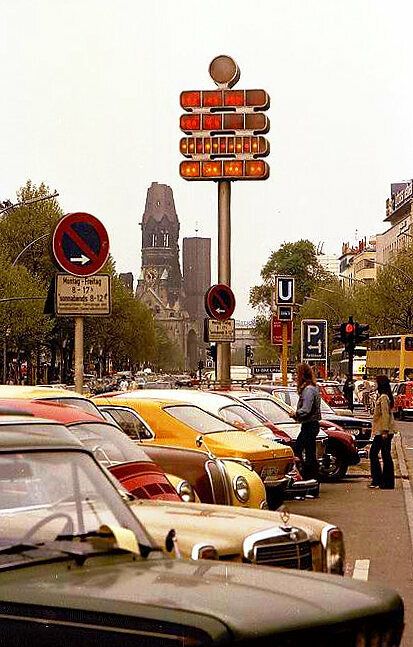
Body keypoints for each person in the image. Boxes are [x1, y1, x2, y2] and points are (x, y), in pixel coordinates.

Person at [290, 363, 321, 480]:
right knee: (309, 453)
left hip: (309, 424)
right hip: (310, 424)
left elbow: (306, 409)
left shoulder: (308, 390)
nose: (296, 376)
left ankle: (307, 478)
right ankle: (311, 480)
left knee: (301, 451)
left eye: (297, 374)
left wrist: (296, 414)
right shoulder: (312, 388)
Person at [369, 375, 396, 489]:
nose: (374, 384)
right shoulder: (382, 396)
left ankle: (382, 480)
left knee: (376, 454)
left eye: (376, 382)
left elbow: (385, 415)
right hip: (382, 430)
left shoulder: (384, 397)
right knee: (383, 454)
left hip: (384, 431)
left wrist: (384, 430)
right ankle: (382, 480)